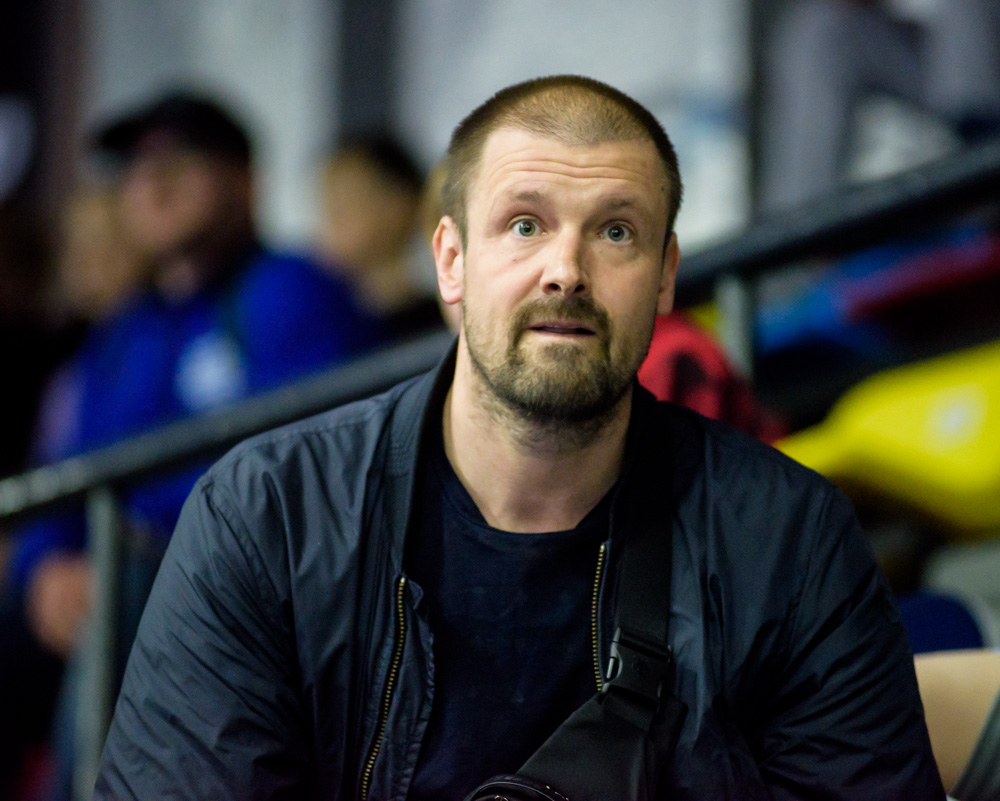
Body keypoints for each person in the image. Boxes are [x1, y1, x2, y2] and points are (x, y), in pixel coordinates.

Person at [95, 76, 944, 800]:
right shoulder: (268, 520)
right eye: (525, 224)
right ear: (451, 262)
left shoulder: (788, 540)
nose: (566, 270)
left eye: (616, 231)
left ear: (665, 278)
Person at [1, 92, 383, 796]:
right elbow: (62, 469)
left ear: (245, 181)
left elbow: (291, 472)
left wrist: (120, 542)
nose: (152, 184)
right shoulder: (124, 331)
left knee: (127, 587)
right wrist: (44, 564)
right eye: (135, 170)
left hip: (239, 589)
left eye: (180, 162)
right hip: (113, 583)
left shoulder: (293, 292)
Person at [758, 0, 1000, 214]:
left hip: (982, 75)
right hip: (941, 62)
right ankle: (796, 230)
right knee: (820, 31)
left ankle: (980, 170)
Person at [315, 134, 445, 342]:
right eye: (329, 204)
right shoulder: (330, 324)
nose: (334, 219)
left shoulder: (440, 320)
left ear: (400, 205)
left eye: (348, 202)